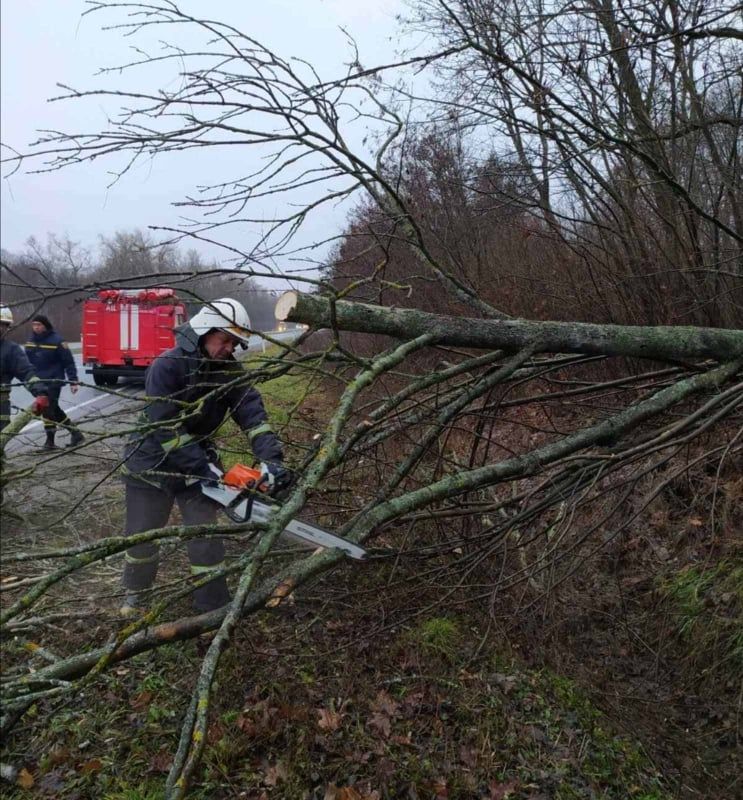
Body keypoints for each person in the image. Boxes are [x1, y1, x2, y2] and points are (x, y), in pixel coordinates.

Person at [120, 297, 291, 617]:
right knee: (142, 536)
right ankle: (136, 594)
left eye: (233, 343)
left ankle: (212, 605)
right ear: (203, 331)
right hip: (151, 462)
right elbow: (167, 430)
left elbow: (254, 417)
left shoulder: (229, 373)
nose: (228, 348)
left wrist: (272, 461)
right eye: (223, 339)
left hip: (197, 459)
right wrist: (208, 471)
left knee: (205, 533)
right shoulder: (167, 367)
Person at [24, 314, 85, 450]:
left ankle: (50, 442)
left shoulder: (57, 341)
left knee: (47, 409)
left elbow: (68, 362)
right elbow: (26, 362)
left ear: (45, 325)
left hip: (53, 381)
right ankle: (76, 433)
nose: (36, 328)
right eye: (34, 325)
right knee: (54, 409)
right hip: (38, 382)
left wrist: (73, 381)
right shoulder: (30, 341)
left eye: (38, 325)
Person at [1, 305, 49, 431]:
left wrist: (41, 392)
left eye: (4, 324)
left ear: (7, 328)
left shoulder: (11, 350)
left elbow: (26, 373)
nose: (0, 328)